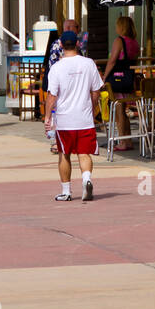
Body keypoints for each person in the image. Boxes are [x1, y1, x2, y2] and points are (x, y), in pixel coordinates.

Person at [44, 29, 103, 202]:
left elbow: (52, 96)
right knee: (84, 153)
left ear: (61, 45)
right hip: (84, 118)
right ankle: (86, 180)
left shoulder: (56, 68)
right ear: (78, 44)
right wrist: (91, 107)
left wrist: (47, 117)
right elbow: (96, 90)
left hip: (64, 120)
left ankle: (66, 191)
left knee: (64, 154)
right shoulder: (89, 63)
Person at [102, 15, 140, 151]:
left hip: (118, 79)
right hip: (129, 79)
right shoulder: (134, 42)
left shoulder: (119, 41)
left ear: (121, 27)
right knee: (124, 110)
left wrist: (105, 77)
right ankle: (128, 140)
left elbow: (112, 60)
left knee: (119, 111)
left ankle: (123, 141)